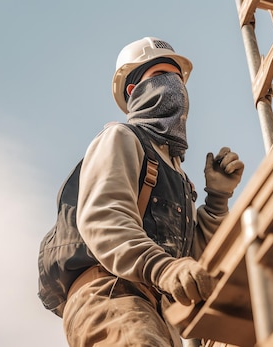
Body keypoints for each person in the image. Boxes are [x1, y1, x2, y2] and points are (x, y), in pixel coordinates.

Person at [63, 36, 245, 347]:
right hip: (112, 297)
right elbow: (103, 220)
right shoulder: (121, 138)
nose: (174, 85)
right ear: (133, 90)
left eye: (177, 78)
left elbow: (192, 265)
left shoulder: (176, 174)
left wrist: (216, 202)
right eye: (160, 75)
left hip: (158, 312)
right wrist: (163, 267)